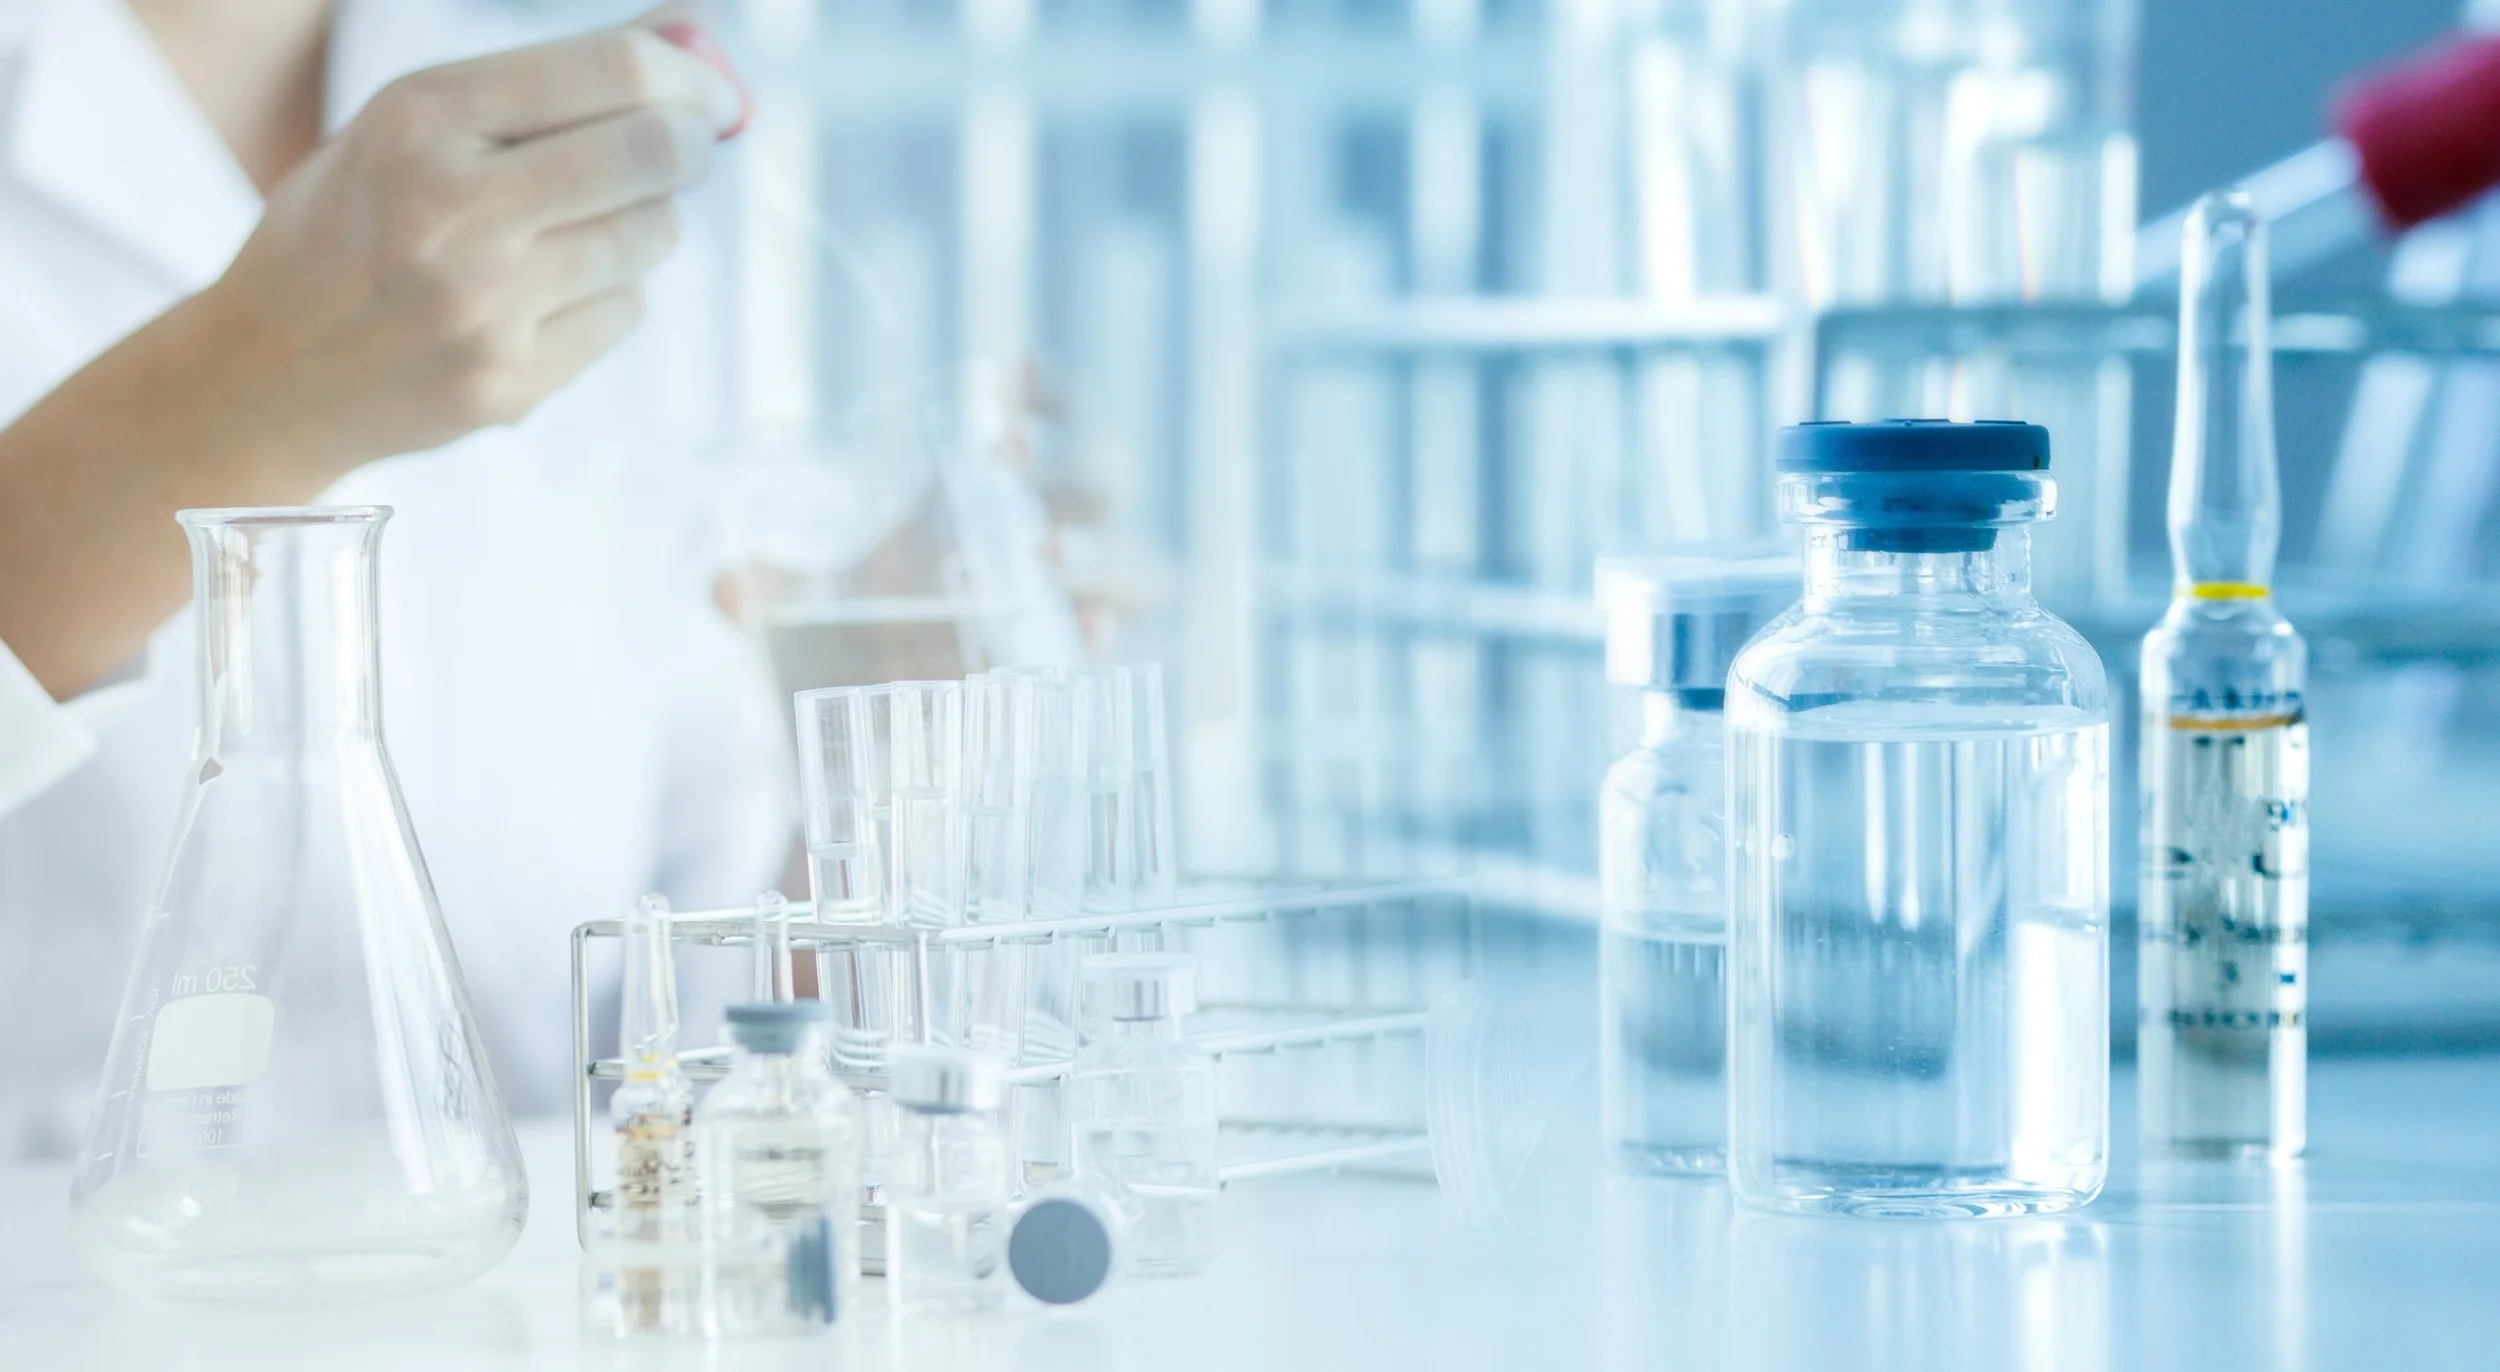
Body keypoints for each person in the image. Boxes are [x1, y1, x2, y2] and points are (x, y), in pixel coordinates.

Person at [0, 0, 788, 1156]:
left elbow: (697, 983)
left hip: (535, 1317)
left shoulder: (585, 140)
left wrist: (905, 731)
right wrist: (238, 388)